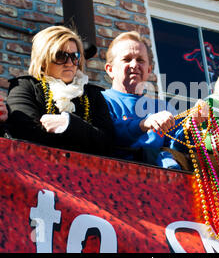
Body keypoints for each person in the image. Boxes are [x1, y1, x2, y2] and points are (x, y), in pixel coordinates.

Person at [102, 31, 205, 169]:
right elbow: (106, 135)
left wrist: (193, 124)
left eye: (140, 60)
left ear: (149, 69)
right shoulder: (101, 99)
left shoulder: (163, 108)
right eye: (126, 59)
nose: (134, 65)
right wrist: (144, 124)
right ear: (110, 69)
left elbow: (179, 147)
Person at [6, 25, 115, 156]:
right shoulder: (24, 87)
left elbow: (108, 144)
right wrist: (85, 136)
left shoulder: (93, 94)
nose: (69, 62)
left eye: (74, 56)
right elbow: (26, 134)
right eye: (60, 56)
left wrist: (69, 123)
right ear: (43, 60)